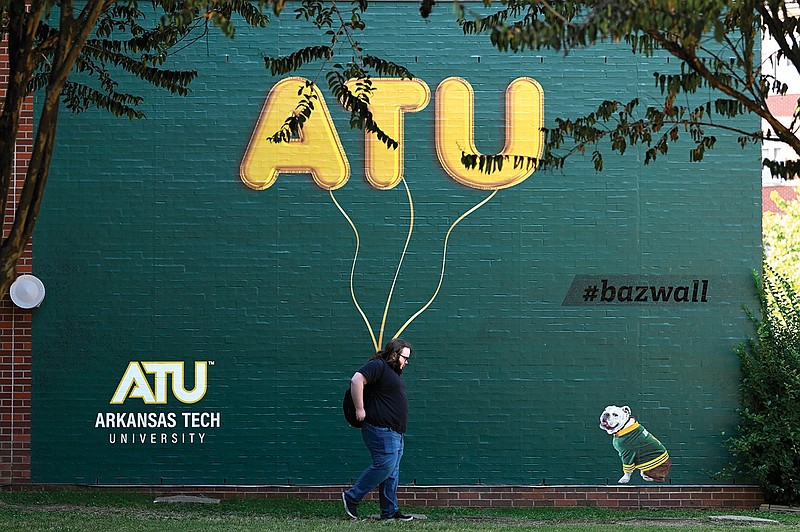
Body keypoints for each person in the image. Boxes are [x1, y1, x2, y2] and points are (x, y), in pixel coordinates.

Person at [342, 338, 413, 521]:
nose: (406, 362)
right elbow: (356, 380)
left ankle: (389, 512)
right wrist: (360, 409)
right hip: (380, 428)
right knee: (385, 465)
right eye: (405, 357)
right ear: (394, 354)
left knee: (392, 472)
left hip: (395, 431)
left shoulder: (392, 372)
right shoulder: (378, 365)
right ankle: (351, 497)